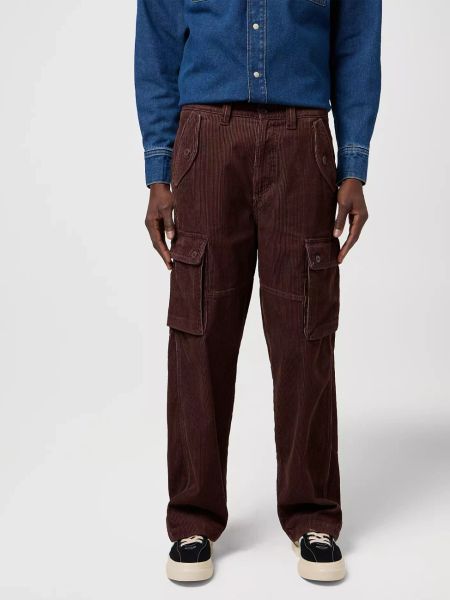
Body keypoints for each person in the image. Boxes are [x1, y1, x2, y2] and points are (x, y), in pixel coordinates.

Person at [134, 0, 381, 584]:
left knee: (306, 335)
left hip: (302, 139)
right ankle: (192, 517)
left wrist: (354, 166)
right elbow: (158, 42)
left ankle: (312, 515)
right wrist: (158, 170)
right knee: (197, 330)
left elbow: (356, 40)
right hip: (204, 139)